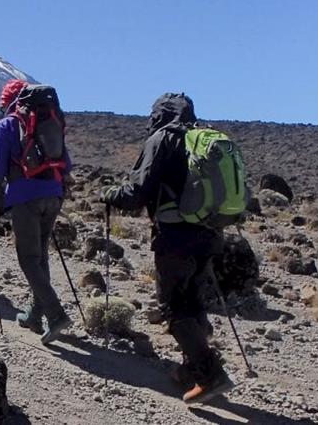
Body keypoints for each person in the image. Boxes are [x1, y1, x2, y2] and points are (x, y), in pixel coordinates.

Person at [100, 93, 234, 404]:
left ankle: (210, 375)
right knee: (192, 301)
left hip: (176, 237)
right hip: (211, 233)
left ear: (159, 114)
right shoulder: (203, 137)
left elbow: (136, 192)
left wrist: (109, 193)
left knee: (173, 308)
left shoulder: (163, 138)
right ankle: (190, 371)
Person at [0, 79, 73, 345]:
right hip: (54, 194)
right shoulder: (50, 120)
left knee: (28, 259)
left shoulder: (6, 125)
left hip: (25, 197)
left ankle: (56, 315)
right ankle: (34, 314)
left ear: (8, 102)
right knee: (40, 257)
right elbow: (68, 164)